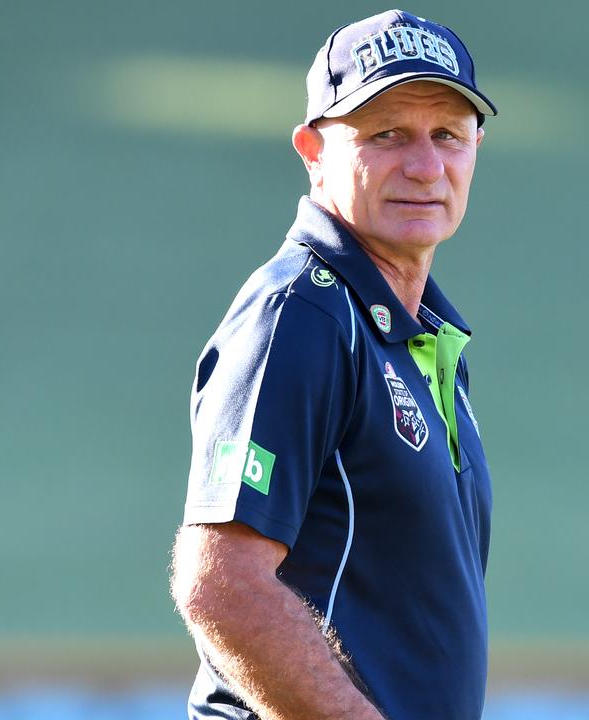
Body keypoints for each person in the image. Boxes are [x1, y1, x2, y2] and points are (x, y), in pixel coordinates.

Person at [170, 9, 497, 719]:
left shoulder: (424, 336)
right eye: (386, 135)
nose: (424, 165)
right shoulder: (302, 315)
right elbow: (222, 583)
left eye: (447, 134)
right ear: (312, 150)